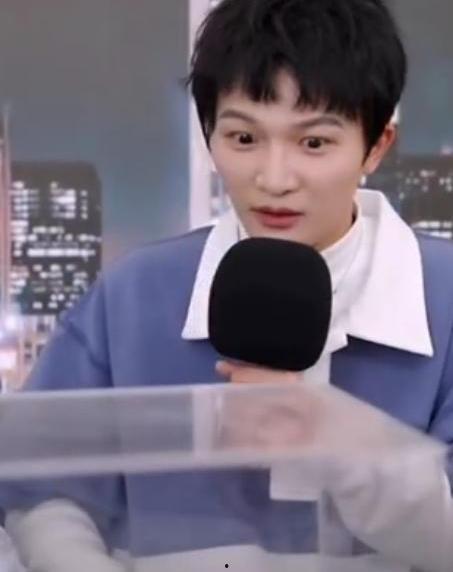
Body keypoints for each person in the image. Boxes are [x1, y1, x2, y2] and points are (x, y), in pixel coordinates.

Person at [1, 0, 453, 570]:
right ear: (209, 133)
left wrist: (339, 442)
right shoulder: (135, 294)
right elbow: (39, 490)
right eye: (243, 138)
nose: (274, 179)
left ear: (377, 144)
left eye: (314, 143)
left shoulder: (445, 297)